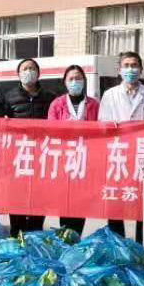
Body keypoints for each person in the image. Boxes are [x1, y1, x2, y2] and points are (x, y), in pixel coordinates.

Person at [98, 51, 144, 236]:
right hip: (118, 154)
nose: (130, 69)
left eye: (134, 66)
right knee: (117, 201)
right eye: (126, 66)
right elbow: (102, 125)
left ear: (140, 69)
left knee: (143, 201)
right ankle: (119, 244)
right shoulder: (110, 95)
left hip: (143, 154)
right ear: (119, 70)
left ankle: (143, 247)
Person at [3, 58, 56, 235]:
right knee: (16, 196)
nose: (28, 72)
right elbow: (1, 123)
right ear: (18, 74)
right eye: (25, 69)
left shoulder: (49, 97)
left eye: (32, 68)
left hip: (41, 155)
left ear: (38, 73)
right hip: (18, 155)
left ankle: (35, 232)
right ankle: (16, 232)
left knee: (39, 196)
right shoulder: (9, 97)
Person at [48, 64, 100, 235]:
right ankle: (64, 237)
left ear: (84, 81)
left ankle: (76, 236)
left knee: (81, 201)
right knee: (65, 200)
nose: (75, 81)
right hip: (64, 159)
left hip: (86, 159)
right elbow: (50, 130)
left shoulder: (93, 104)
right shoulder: (57, 104)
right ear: (65, 82)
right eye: (71, 79)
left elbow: (101, 130)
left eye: (78, 78)